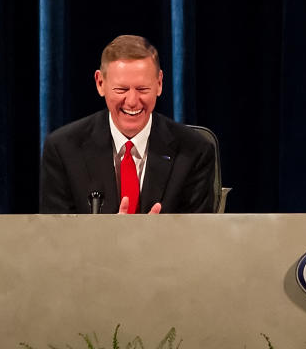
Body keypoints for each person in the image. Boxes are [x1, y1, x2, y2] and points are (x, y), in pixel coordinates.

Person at [40, 35, 215, 214]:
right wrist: (113, 237)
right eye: (121, 89)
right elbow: (55, 238)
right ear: (100, 83)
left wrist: (155, 238)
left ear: (159, 83)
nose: (132, 101)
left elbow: (197, 238)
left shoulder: (194, 151)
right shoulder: (63, 149)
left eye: (142, 89)